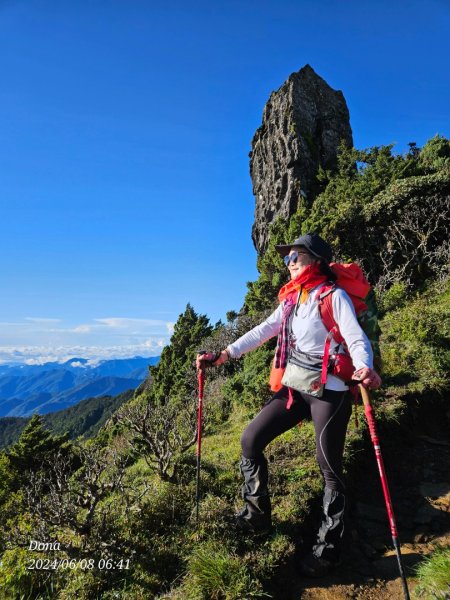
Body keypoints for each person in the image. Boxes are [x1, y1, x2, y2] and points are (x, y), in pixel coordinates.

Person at [196, 232, 381, 577]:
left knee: (329, 468)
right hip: (296, 385)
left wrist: (364, 366)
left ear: (316, 261)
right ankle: (256, 518)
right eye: (288, 258)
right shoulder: (293, 299)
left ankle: (328, 550)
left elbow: (356, 336)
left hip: (330, 390)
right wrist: (225, 355)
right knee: (250, 439)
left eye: (295, 257)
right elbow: (264, 330)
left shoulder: (333, 295)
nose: (289, 263)